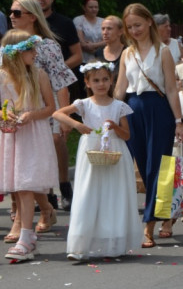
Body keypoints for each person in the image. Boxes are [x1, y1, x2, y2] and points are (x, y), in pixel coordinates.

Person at [114, 3, 183, 247]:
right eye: (129, 26)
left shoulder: (163, 51)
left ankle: (149, 225)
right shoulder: (127, 53)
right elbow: (121, 88)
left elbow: (170, 88)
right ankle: (165, 211)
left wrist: (178, 120)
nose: (134, 30)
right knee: (145, 167)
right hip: (133, 109)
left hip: (158, 108)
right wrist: (109, 112)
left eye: (138, 24)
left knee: (160, 166)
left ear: (148, 23)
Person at [53, 63, 142, 260]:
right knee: (88, 193)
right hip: (91, 151)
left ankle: (114, 243)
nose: (101, 84)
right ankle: (81, 246)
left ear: (111, 81)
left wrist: (114, 127)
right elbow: (57, 113)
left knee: (112, 195)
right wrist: (77, 124)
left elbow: (126, 135)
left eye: (105, 79)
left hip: (115, 151)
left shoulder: (119, 106)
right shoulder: (84, 104)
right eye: (96, 80)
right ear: (88, 82)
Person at [8, 0, 77, 229]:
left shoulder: (48, 46)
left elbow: (61, 84)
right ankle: (40, 210)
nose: (11, 16)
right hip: (18, 110)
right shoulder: (7, 45)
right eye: (11, 12)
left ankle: (29, 216)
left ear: (31, 16)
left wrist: (64, 119)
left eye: (17, 12)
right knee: (18, 163)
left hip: (45, 111)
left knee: (33, 165)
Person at [0, 32, 57, 261]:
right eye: (31, 50)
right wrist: (6, 114)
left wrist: (30, 115)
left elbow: (50, 107)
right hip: (12, 136)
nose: (35, 54)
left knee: (25, 185)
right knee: (19, 185)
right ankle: (27, 235)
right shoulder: (2, 76)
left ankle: (25, 236)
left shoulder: (38, 75)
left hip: (33, 135)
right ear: (16, 53)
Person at [74, 0, 104, 64]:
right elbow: (81, 42)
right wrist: (99, 46)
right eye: (91, 7)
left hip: (100, 60)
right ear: (84, 8)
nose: (94, 9)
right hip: (84, 60)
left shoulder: (103, 21)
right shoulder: (79, 20)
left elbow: (108, 41)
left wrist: (93, 46)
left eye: (96, 7)